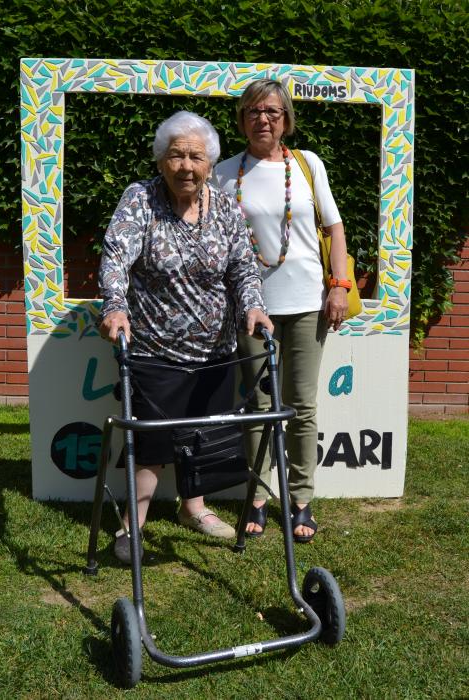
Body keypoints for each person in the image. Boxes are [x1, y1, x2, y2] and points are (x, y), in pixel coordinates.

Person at [98, 110, 273, 564]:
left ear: (210, 164)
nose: (186, 166)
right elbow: (116, 257)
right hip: (154, 349)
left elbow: (244, 268)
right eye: (176, 155)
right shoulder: (140, 199)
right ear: (161, 160)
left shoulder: (226, 208)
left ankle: (193, 508)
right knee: (151, 445)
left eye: (196, 157)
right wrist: (115, 305)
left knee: (205, 439)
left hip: (215, 350)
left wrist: (253, 305)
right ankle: (132, 525)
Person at [214, 79, 349, 543]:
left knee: (302, 405)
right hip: (253, 309)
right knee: (258, 406)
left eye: (272, 111)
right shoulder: (223, 173)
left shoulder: (308, 164)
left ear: (286, 119)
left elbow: (334, 228)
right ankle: (256, 497)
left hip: (309, 303)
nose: (263, 119)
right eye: (253, 111)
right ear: (242, 120)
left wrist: (339, 287)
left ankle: (301, 498)